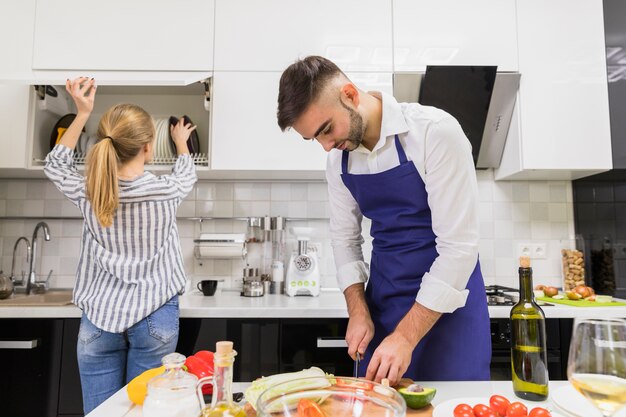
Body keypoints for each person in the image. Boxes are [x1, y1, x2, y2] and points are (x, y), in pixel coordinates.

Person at [277, 56, 491, 384]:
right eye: (315, 139)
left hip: (450, 311)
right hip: (386, 305)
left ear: (349, 94)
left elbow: (459, 250)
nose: (326, 146)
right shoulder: (339, 162)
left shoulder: (434, 133)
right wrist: (358, 310)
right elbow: (344, 241)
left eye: (327, 130)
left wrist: (405, 337)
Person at [44, 77, 198, 413]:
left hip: (99, 319)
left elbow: (55, 165)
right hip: (155, 317)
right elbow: (187, 173)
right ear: (148, 147)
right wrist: (181, 141)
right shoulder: (167, 191)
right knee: (147, 413)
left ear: (104, 144)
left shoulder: (89, 191)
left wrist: (82, 112)